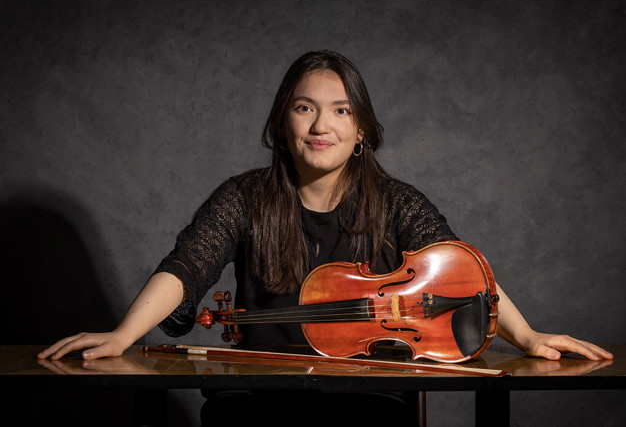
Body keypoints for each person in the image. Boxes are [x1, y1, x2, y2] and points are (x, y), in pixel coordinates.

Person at [37, 51, 612, 419]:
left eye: (340, 111)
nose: (321, 126)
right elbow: (186, 267)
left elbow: (465, 275)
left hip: (368, 397)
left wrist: (528, 335)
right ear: (282, 123)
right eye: (304, 108)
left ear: (360, 129)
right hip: (257, 398)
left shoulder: (395, 202)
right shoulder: (244, 196)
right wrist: (121, 335)